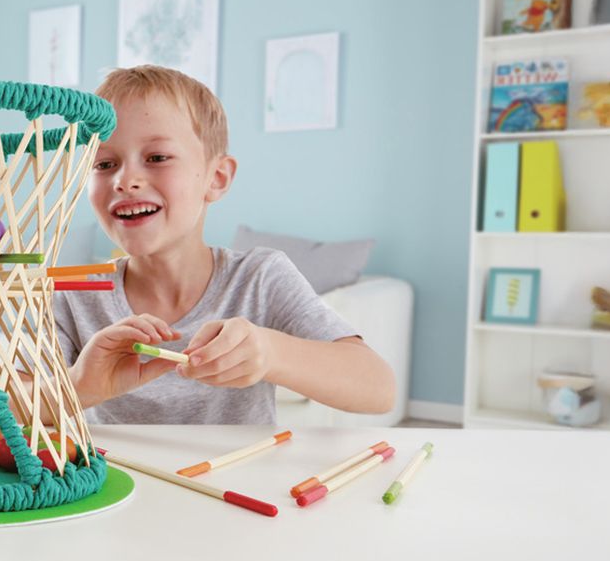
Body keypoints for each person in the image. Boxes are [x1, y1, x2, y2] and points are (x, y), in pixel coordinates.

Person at [57, 65, 395, 424]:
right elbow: (6, 407)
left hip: (234, 479)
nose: (125, 180)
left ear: (217, 178)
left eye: (157, 158)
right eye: (104, 164)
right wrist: (80, 386)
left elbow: (378, 389)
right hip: (122, 479)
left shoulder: (259, 277)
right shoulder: (72, 292)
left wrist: (271, 353)